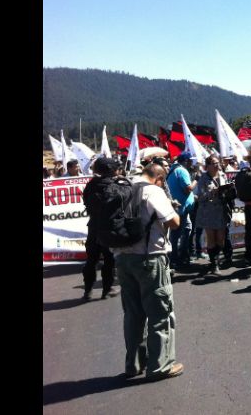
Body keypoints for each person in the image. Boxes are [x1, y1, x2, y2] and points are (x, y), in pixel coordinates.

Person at [112, 164, 183, 381]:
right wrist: (171, 207)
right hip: (149, 257)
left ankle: (133, 364)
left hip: (122, 258)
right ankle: (160, 366)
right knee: (160, 312)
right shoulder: (153, 191)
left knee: (133, 314)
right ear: (159, 178)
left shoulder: (121, 189)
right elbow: (174, 222)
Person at [81, 157, 122, 301]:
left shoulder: (91, 184)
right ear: (110, 170)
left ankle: (88, 291)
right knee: (109, 260)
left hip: (93, 226)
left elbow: (86, 202)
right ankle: (107, 289)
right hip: (108, 228)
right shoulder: (114, 185)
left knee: (91, 260)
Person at [195, 155, 231, 274]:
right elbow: (200, 197)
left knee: (220, 239)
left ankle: (216, 257)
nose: (217, 165)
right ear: (208, 166)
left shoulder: (223, 175)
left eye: (217, 163)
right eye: (214, 163)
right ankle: (214, 264)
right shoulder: (203, 178)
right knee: (211, 238)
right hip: (208, 212)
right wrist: (212, 192)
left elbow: (227, 191)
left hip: (221, 211)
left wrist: (229, 190)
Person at [166, 152, 196, 269]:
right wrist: (196, 180)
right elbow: (187, 189)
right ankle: (175, 258)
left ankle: (183, 255)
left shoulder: (173, 169)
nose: (192, 163)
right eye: (190, 160)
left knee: (186, 229)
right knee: (177, 234)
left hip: (180, 207)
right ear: (185, 161)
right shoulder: (182, 170)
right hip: (181, 208)